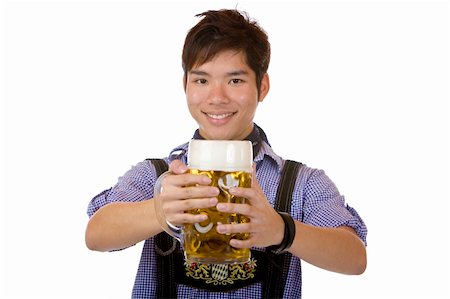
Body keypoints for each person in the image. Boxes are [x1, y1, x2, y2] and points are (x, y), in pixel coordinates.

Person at [85, 9, 367, 299]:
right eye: (202, 80)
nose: (217, 97)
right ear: (185, 86)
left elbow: (354, 258)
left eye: (235, 80)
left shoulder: (299, 182)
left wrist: (283, 230)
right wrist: (159, 211)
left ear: (263, 86)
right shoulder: (159, 174)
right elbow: (96, 235)